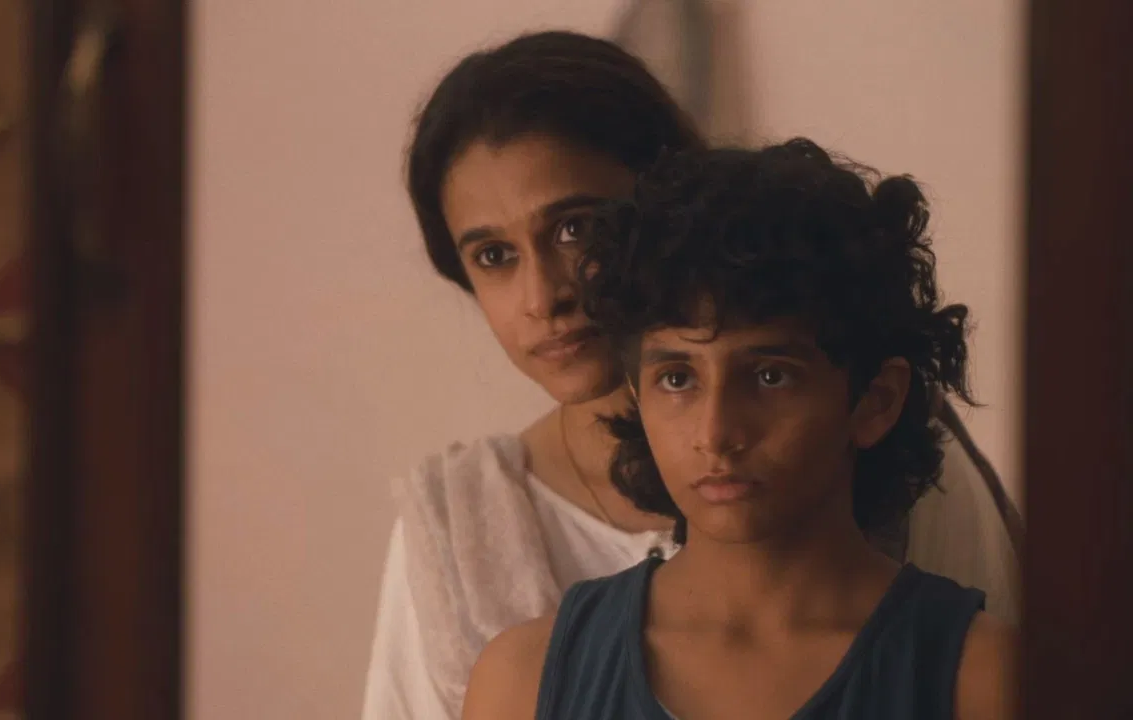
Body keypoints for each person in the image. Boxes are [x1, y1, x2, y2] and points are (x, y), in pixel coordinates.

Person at [363, 30, 1019, 720]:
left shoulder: (949, 597)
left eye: (575, 229)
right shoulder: (464, 547)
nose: (543, 296)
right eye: (494, 256)